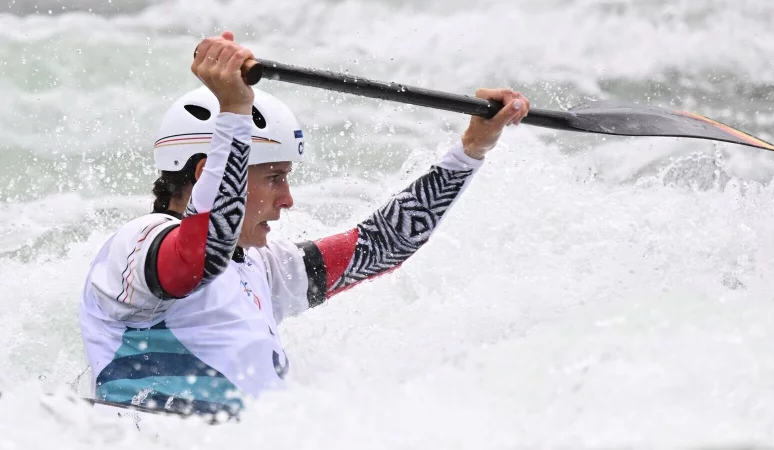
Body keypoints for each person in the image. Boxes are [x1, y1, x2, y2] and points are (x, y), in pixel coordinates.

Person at [78, 31, 531, 416]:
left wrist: (471, 149)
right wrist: (234, 113)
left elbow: (381, 245)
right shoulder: (135, 247)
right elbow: (201, 254)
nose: (287, 199)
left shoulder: (263, 269)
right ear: (206, 174)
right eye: (274, 178)